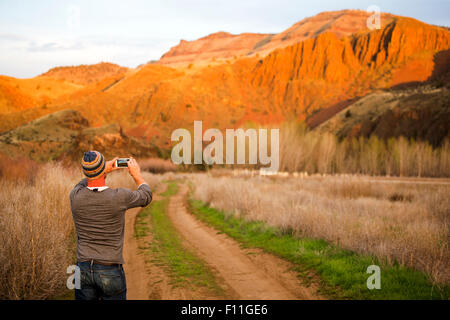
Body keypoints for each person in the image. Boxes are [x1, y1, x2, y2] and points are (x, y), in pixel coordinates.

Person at [69, 151, 152, 300]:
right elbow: (146, 196)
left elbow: (83, 182)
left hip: (82, 269)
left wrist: (100, 171)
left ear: (85, 172)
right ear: (102, 171)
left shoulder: (75, 196)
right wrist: (136, 174)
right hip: (110, 269)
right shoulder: (119, 197)